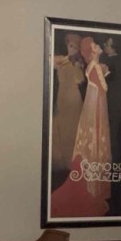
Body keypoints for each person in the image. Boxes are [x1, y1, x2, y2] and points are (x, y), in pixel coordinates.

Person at [50, 36, 112, 218]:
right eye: (94, 45)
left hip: (84, 101)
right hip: (71, 100)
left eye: (75, 46)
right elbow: (102, 84)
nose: (97, 46)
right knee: (71, 130)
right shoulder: (85, 65)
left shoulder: (89, 66)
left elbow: (87, 79)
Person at [51, 32, 85, 173]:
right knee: (61, 126)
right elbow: (47, 60)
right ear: (67, 45)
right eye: (71, 46)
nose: (72, 49)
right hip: (62, 96)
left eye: (75, 47)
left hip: (74, 97)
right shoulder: (60, 60)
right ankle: (62, 161)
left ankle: (73, 161)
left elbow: (80, 80)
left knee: (73, 129)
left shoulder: (79, 63)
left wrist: (77, 65)